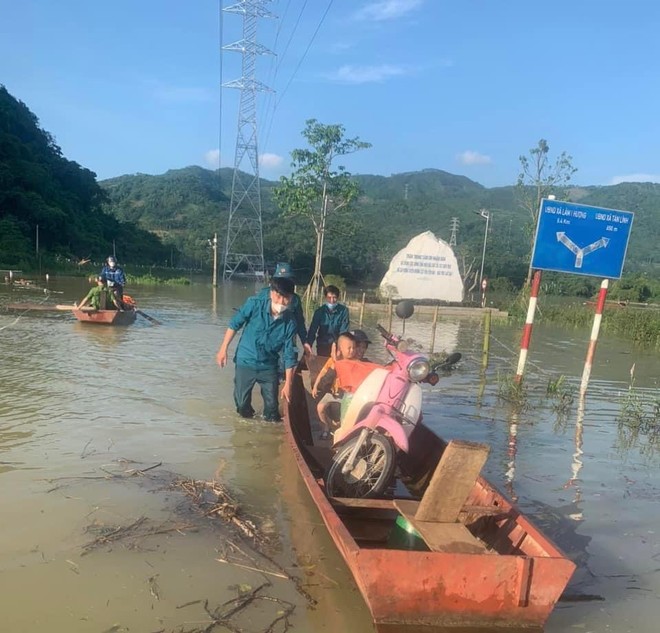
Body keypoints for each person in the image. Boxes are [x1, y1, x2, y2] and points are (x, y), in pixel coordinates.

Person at [216, 277, 298, 422]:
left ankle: (269, 431)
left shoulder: (290, 322)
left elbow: (289, 354)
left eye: (286, 298)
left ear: (291, 298)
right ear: (272, 294)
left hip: (269, 365)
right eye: (279, 296)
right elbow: (235, 325)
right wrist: (223, 349)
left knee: (272, 411)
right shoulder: (254, 305)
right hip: (246, 360)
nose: (281, 302)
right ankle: (248, 425)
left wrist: (288, 384)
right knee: (242, 406)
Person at [256, 262, 311, 355]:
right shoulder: (263, 294)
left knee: (287, 364)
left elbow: (300, 323)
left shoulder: (294, 299)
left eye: (287, 280)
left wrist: (305, 342)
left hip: (287, 341)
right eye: (280, 280)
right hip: (266, 340)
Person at [312, 332, 356, 439]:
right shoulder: (332, 361)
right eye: (349, 348)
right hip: (333, 393)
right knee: (320, 407)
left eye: (353, 348)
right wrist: (315, 386)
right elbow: (322, 374)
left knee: (344, 416)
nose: (352, 351)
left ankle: (342, 431)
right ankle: (326, 428)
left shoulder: (353, 363)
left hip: (345, 396)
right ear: (339, 350)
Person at [306, 285, 349, 357]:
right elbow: (312, 331)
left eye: (334, 297)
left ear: (338, 297)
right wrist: (308, 347)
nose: (332, 300)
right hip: (322, 345)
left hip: (337, 346)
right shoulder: (319, 312)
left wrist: (340, 347)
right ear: (325, 297)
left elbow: (344, 331)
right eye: (329, 298)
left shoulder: (344, 311)